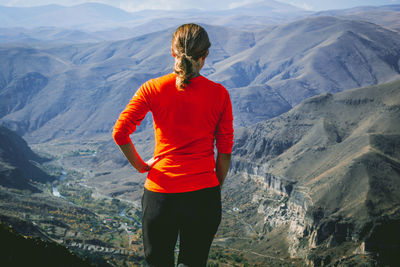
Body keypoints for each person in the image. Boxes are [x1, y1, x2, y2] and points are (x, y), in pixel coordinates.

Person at [112, 23, 234, 267]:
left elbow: (120, 132)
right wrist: (212, 188)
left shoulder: (152, 88)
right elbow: (224, 153)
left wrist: (141, 166)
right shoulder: (220, 94)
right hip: (203, 196)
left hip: (161, 194)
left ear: (172, 52)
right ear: (205, 56)